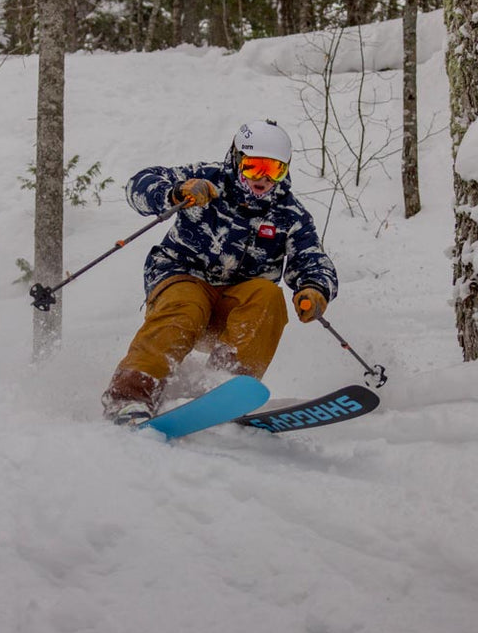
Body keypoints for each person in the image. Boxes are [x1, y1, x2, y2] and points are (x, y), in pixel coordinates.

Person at [102, 119, 338, 425]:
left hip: (235, 306)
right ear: (236, 159)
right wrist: (175, 192)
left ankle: (224, 388)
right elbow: (139, 185)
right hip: (183, 278)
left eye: (274, 170)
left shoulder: (289, 215)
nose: (263, 179)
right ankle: (129, 396)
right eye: (255, 168)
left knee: (269, 296)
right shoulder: (206, 181)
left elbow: (311, 259)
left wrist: (314, 288)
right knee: (185, 306)